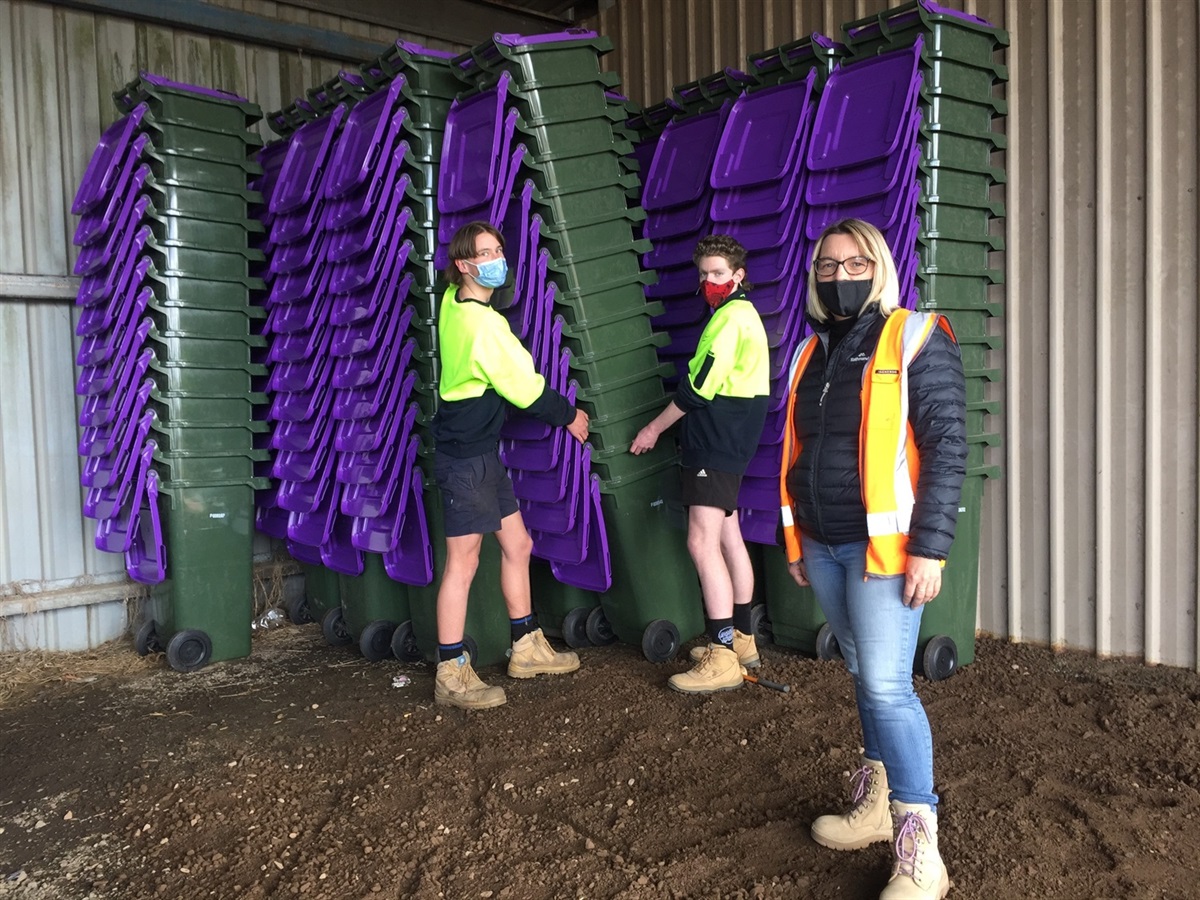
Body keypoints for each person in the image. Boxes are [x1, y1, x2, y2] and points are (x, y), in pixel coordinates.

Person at [778, 218, 966, 899]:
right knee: (862, 671)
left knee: (889, 686)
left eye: (855, 262)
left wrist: (931, 548)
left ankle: (922, 849)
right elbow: (796, 453)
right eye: (827, 265)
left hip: (885, 548)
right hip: (825, 543)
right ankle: (876, 810)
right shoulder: (809, 355)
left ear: (879, 266)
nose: (839, 275)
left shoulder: (916, 335)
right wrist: (798, 541)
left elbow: (947, 445)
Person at [430, 220, 590, 710]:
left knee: (518, 544)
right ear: (464, 265)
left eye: (499, 249)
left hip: (480, 451)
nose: (497, 258)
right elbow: (526, 389)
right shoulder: (484, 324)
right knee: (464, 563)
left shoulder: (453, 302)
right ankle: (450, 672)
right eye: (485, 253)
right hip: (465, 457)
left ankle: (525, 646)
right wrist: (570, 418)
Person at [631, 234, 770, 693]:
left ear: (738, 275)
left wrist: (653, 429)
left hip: (715, 443)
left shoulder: (731, 319)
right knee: (730, 537)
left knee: (700, 541)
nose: (709, 281)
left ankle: (722, 653)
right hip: (729, 441)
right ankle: (742, 640)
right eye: (704, 274)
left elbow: (697, 391)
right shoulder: (739, 314)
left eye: (718, 273)